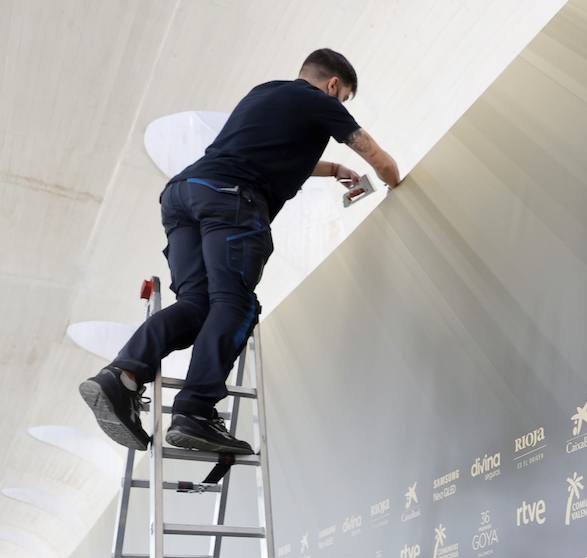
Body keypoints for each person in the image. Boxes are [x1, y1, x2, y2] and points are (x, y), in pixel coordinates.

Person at [80, 48, 401, 455]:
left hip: (183, 195)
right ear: (334, 85)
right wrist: (395, 181)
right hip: (231, 200)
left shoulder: (263, 93)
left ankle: (120, 377)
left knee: (197, 305)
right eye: (343, 97)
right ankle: (194, 411)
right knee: (236, 305)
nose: (338, 104)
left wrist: (332, 169)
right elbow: (371, 150)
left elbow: (258, 149)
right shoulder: (320, 101)